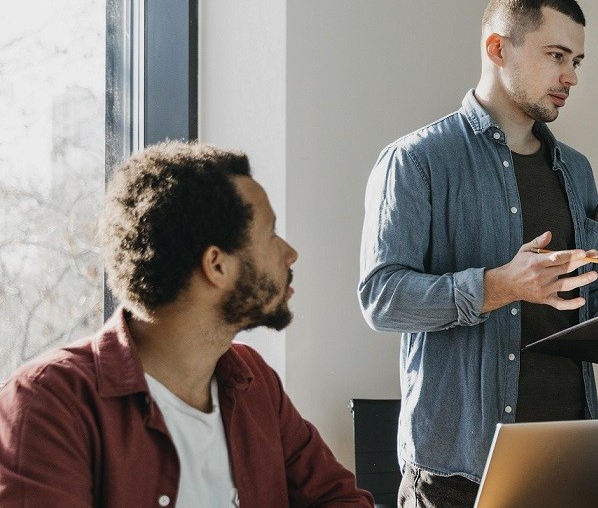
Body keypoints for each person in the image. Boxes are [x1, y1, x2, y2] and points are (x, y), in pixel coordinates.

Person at [357, 0, 598, 507]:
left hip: (568, 460)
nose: (570, 76)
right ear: (498, 48)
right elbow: (382, 299)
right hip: (459, 475)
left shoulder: (577, 170)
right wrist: (498, 286)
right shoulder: (415, 161)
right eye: (556, 56)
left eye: (577, 61)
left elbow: (596, 282)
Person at [0, 143, 372, 506]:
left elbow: (341, 499)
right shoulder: (47, 402)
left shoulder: (255, 382)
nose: (290, 253)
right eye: (271, 234)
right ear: (217, 265)